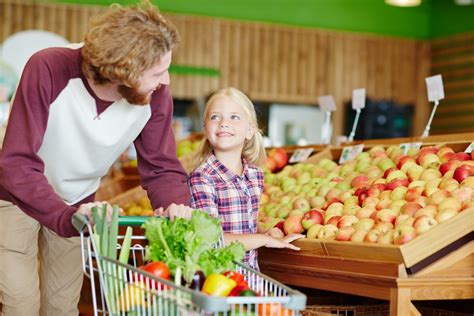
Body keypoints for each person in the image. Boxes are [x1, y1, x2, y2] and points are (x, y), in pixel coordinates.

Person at [0, 1, 193, 315]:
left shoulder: (156, 94)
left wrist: (174, 203)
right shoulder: (48, 67)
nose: (167, 80)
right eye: (158, 72)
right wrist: (63, 217)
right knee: (22, 304)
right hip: (16, 193)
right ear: (124, 71)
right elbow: (17, 162)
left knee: (61, 305)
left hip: (78, 200)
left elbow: (160, 164)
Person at [188, 87, 303, 270]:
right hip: (218, 279)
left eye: (234, 117)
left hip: (250, 276)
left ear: (250, 130)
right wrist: (263, 240)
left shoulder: (254, 175)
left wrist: (265, 231)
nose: (224, 122)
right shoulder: (202, 178)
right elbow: (211, 239)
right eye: (215, 117)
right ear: (205, 129)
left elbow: (243, 222)